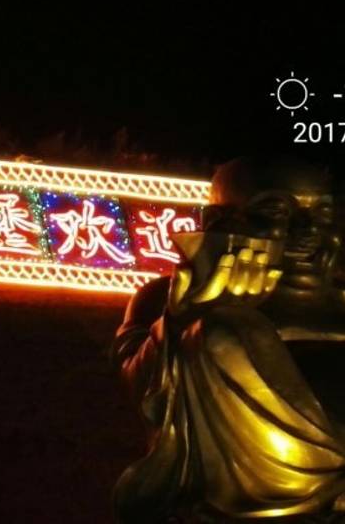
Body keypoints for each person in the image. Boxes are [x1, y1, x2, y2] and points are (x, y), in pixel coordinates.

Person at [111, 157, 345, 523]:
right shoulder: (165, 299)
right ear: (218, 223)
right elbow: (140, 387)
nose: (307, 230)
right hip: (258, 493)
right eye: (277, 212)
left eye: (323, 215)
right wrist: (180, 322)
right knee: (223, 332)